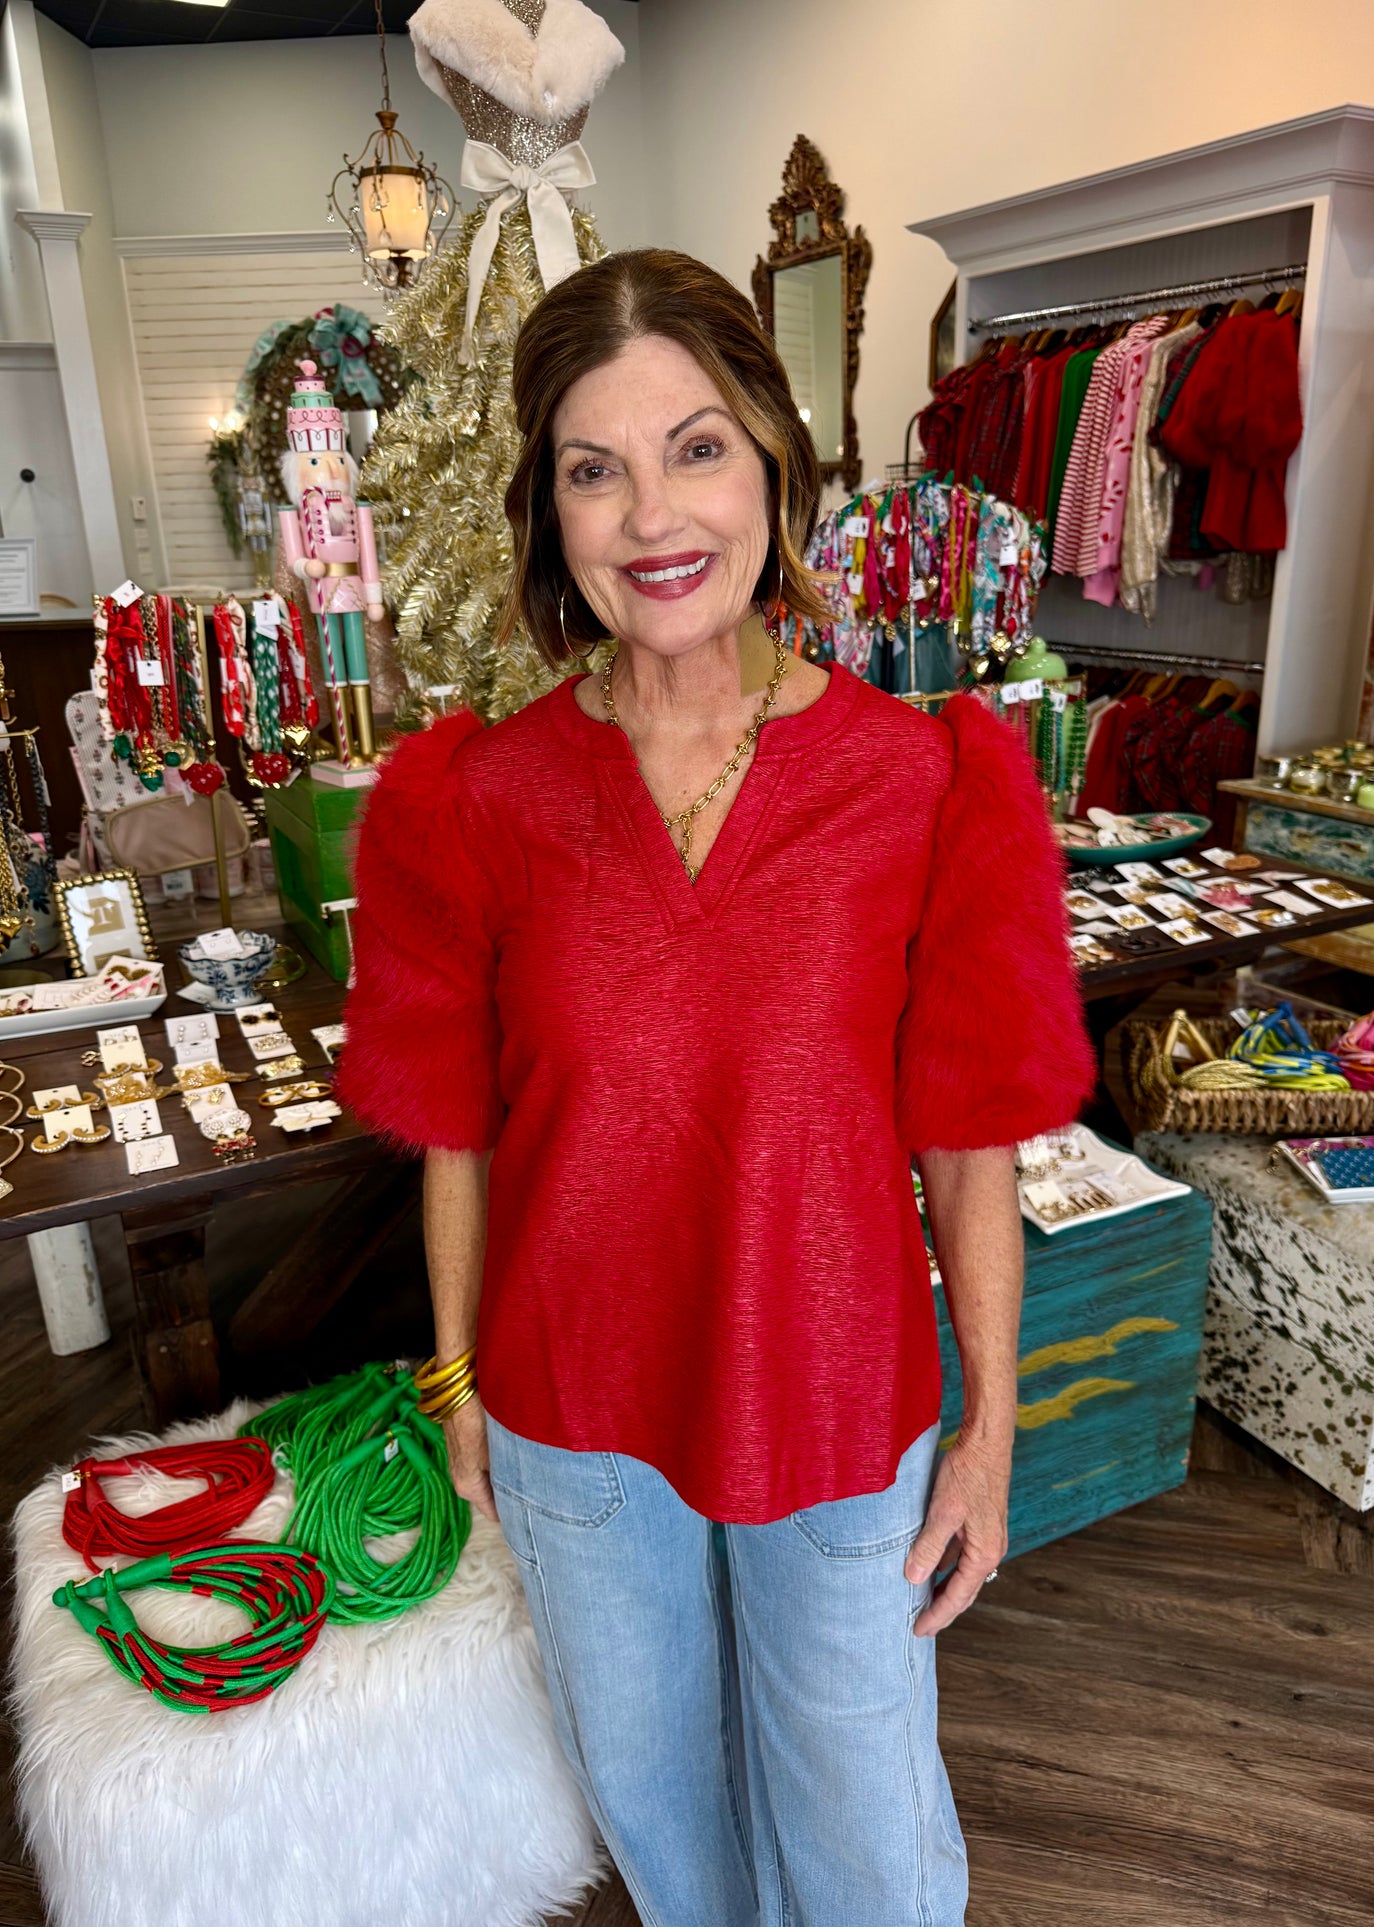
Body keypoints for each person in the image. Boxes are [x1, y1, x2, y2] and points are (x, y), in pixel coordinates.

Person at [340, 248, 1093, 1927]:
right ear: (549, 508)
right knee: (660, 1807)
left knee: (864, 1821)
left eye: (694, 449)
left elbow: (969, 1145)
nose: (650, 515)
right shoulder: (474, 801)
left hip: (835, 1401)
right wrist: (461, 1387)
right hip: (570, 1417)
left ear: (772, 463)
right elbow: (454, 1131)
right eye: (592, 469)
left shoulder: (927, 784)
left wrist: (988, 1427)